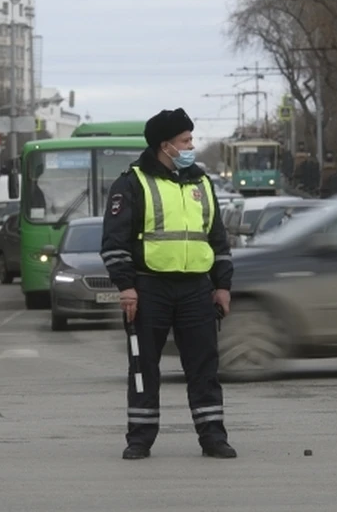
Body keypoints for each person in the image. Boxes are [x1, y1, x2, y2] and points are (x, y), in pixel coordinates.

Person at [101, 108, 236, 461]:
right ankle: (140, 439)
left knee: (204, 366)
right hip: (149, 290)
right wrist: (126, 287)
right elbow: (114, 242)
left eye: (191, 139)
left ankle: (213, 437)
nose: (191, 145)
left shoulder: (202, 183)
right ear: (166, 145)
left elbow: (217, 240)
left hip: (195, 289)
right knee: (144, 367)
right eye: (185, 140)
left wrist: (222, 285)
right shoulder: (132, 183)